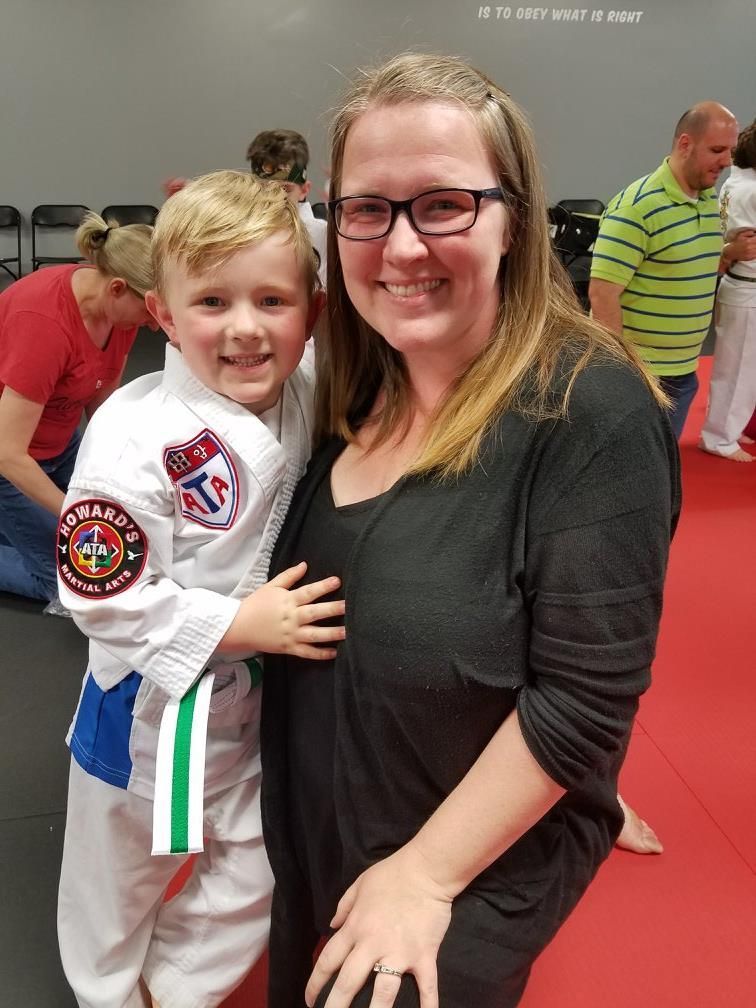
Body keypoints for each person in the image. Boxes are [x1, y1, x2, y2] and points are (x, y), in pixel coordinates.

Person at [260, 52, 680, 1008]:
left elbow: (584, 702)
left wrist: (427, 876)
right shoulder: (361, 380)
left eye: (443, 203)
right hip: (319, 833)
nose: (400, 247)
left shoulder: (590, 412)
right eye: (367, 209)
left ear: (513, 221)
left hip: (450, 873)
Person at [55, 171, 345, 1008]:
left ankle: (172, 991)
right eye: (212, 303)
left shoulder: (309, 388)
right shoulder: (132, 434)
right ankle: (104, 991)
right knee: (114, 875)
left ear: (313, 315)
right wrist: (239, 621)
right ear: (163, 317)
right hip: (147, 707)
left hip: (255, 704)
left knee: (255, 866)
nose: (246, 329)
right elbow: (98, 593)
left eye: (273, 302)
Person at [0, 213, 155, 607]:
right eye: (150, 311)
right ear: (118, 288)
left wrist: (120, 481)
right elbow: (7, 453)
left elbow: (102, 404)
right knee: (70, 582)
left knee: (113, 550)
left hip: (58, 440)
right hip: (10, 460)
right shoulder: (44, 324)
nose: (156, 325)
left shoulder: (119, 313)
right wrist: (73, 511)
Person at [589, 102, 756, 440]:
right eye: (717, 150)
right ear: (685, 144)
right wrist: (622, 375)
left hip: (684, 372)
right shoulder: (637, 206)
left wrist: (729, 253)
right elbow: (602, 293)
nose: (727, 161)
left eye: (731, 151)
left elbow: (696, 264)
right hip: (643, 375)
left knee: (662, 475)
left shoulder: (708, 199)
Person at [700, 120, 756, 461]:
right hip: (747, 287)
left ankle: (727, 427)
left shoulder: (734, 183)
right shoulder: (750, 189)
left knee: (735, 365)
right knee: (738, 368)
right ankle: (719, 437)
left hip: (737, 284)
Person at [247, 128, 328, 284]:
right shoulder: (240, 232)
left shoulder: (325, 233)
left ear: (304, 190)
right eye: (266, 189)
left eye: (285, 189)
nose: (275, 198)